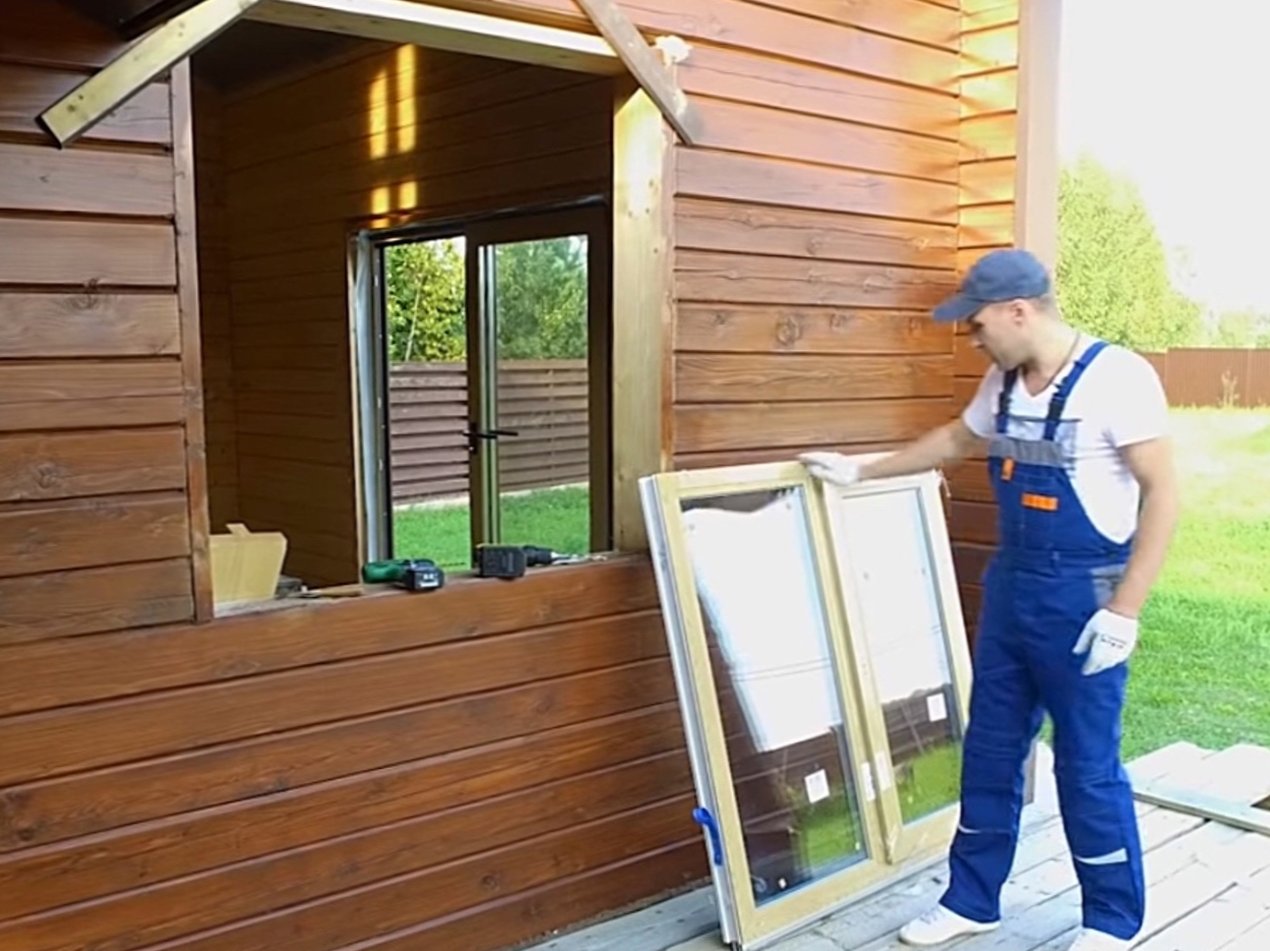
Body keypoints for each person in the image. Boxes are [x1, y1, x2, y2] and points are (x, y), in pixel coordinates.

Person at [799, 248, 1178, 951]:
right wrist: (861, 470)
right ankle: (972, 899)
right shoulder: (1002, 383)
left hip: (1084, 596)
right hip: (1013, 590)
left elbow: (1164, 493)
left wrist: (1125, 610)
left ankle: (1111, 920)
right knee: (991, 749)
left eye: (977, 325)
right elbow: (956, 438)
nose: (973, 338)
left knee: (1085, 764)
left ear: (1018, 311)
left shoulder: (1118, 379)